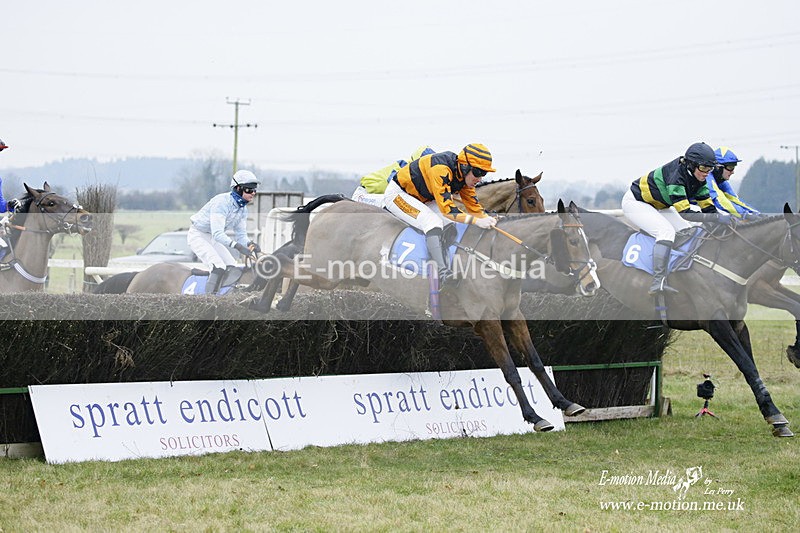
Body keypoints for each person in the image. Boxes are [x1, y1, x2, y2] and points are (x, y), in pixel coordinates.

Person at [383, 142, 498, 288]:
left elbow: (474, 207)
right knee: (432, 222)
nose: (480, 178)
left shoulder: (464, 179)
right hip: (399, 194)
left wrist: (488, 219)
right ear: (464, 166)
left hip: (422, 198)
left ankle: (444, 264)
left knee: (450, 225)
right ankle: (442, 272)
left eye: (484, 173)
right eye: (478, 172)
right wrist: (476, 221)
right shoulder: (441, 170)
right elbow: (448, 211)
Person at [621, 142, 719, 294]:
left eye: (710, 168)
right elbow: (686, 213)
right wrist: (715, 219)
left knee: (687, 231)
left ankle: (678, 274)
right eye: (704, 168)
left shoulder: (698, 178)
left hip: (658, 205)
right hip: (636, 203)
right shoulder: (677, 177)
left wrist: (721, 220)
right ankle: (657, 281)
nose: (707, 172)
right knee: (666, 232)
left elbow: (707, 207)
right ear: (692, 165)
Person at [187, 169, 261, 294]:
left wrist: (249, 244)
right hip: (198, 235)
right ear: (238, 188)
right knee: (218, 266)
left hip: (212, 238)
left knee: (231, 265)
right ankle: (209, 301)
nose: (253, 193)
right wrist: (237, 246)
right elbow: (218, 233)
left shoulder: (242, 209)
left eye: (254, 190)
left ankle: (224, 296)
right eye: (249, 190)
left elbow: (241, 236)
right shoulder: (221, 203)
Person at [351, 145, 435, 207]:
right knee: (394, 204)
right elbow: (394, 186)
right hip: (364, 195)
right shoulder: (404, 166)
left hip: (382, 195)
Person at [707, 146, 759, 219]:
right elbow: (721, 201)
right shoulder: (707, 178)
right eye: (730, 167)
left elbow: (735, 200)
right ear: (718, 167)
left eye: (734, 167)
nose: (733, 172)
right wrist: (745, 215)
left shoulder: (721, 181)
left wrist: (757, 214)